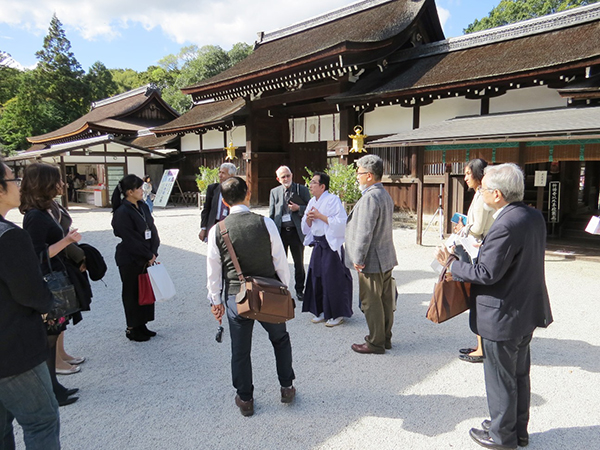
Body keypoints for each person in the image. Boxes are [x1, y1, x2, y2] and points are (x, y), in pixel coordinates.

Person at [435, 163, 553, 450]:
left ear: (497, 195)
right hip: (525, 308)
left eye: (484, 189)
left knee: (500, 379)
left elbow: (487, 274)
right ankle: (516, 431)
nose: (481, 193)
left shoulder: (505, 224)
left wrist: (452, 264)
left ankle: (502, 437)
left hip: (502, 313)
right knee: (518, 375)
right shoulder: (532, 216)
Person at [206, 177, 295, 417]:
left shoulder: (218, 230)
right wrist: (285, 289)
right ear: (248, 193)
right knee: (280, 340)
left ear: (224, 202)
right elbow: (280, 261)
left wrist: (215, 300)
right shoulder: (265, 223)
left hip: (237, 295)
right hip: (269, 293)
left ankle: (245, 399)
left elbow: (213, 271)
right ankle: (286, 386)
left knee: (240, 349)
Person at [0, 161, 61, 450]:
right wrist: (50, 303)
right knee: (41, 421)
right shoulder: (9, 236)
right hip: (13, 349)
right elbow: (32, 293)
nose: (18, 185)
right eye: (12, 179)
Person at [20, 163, 87, 407]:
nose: (62, 184)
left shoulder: (46, 210)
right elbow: (37, 254)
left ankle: (55, 386)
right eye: (56, 181)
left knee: (57, 329)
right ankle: (51, 390)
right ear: (45, 183)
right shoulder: (34, 217)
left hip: (58, 273)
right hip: (49, 279)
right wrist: (67, 240)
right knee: (49, 336)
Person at [345, 155, 398, 354]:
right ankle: (385, 338)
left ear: (369, 175)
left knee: (371, 301)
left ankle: (375, 342)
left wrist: (357, 258)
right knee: (385, 299)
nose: (357, 177)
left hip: (371, 258)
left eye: (358, 173)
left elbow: (364, 231)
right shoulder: (383, 194)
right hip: (385, 254)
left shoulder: (370, 198)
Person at [454, 159, 495, 364]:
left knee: (477, 297)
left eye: (468, 174)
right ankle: (480, 345)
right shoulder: (481, 194)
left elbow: (477, 228)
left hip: (479, 251)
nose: (465, 178)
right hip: (480, 248)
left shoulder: (482, 196)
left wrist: (464, 227)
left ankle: (481, 348)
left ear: (478, 175)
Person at [111, 175, 160, 342]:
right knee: (132, 292)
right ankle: (132, 327)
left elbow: (152, 228)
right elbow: (129, 237)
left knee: (145, 290)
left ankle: (142, 324)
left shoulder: (143, 206)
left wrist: (153, 251)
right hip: (131, 257)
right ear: (129, 192)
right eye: (139, 188)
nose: (142, 191)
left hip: (147, 254)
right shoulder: (122, 212)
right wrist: (147, 255)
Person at [301, 172, 352, 327]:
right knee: (317, 277)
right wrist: (309, 220)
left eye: (314, 183)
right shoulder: (311, 201)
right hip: (317, 244)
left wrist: (320, 216)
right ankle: (321, 310)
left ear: (322, 186)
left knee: (333, 279)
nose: (310, 185)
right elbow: (305, 228)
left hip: (330, 244)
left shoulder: (333, 200)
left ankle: (337, 313)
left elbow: (341, 223)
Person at [269, 165, 311, 302]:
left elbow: (311, 208)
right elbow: (271, 214)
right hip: (280, 232)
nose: (286, 178)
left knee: (299, 263)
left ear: (292, 175)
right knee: (279, 263)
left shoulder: (301, 190)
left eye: (288, 175)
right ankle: (280, 289)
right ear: (278, 179)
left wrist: (299, 208)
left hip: (295, 232)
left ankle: (300, 290)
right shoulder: (274, 192)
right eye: (283, 177)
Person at [198, 163, 237, 242]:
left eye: (223, 173)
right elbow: (206, 209)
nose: (220, 175)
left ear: (231, 176)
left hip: (229, 224)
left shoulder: (237, 190)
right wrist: (203, 228)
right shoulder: (213, 188)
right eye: (220, 172)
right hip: (214, 223)